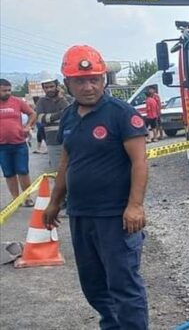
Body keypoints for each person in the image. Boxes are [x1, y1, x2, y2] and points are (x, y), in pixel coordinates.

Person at [43, 45, 149, 330]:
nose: (89, 86)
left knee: (124, 285)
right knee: (93, 285)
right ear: (68, 83)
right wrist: (55, 201)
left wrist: (135, 205)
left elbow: (140, 162)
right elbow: (67, 160)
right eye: (80, 80)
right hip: (81, 214)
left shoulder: (121, 114)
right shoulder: (69, 116)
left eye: (95, 79)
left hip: (115, 217)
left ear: (104, 80)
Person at [0, 78, 38, 206]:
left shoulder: (17, 102)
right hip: (2, 146)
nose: (8, 93)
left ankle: (27, 197)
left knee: (23, 171)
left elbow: (32, 113)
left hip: (19, 144)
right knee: (9, 173)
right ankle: (16, 199)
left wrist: (28, 126)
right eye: (4, 90)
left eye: (9, 90)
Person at [36, 78, 72, 171]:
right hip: (52, 141)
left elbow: (70, 114)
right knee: (57, 171)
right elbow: (41, 118)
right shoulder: (41, 102)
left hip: (70, 140)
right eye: (46, 87)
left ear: (57, 86)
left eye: (51, 86)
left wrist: (61, 99)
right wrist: (61, 114)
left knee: (73, 170)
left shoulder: (67, 99)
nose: (49, 89)